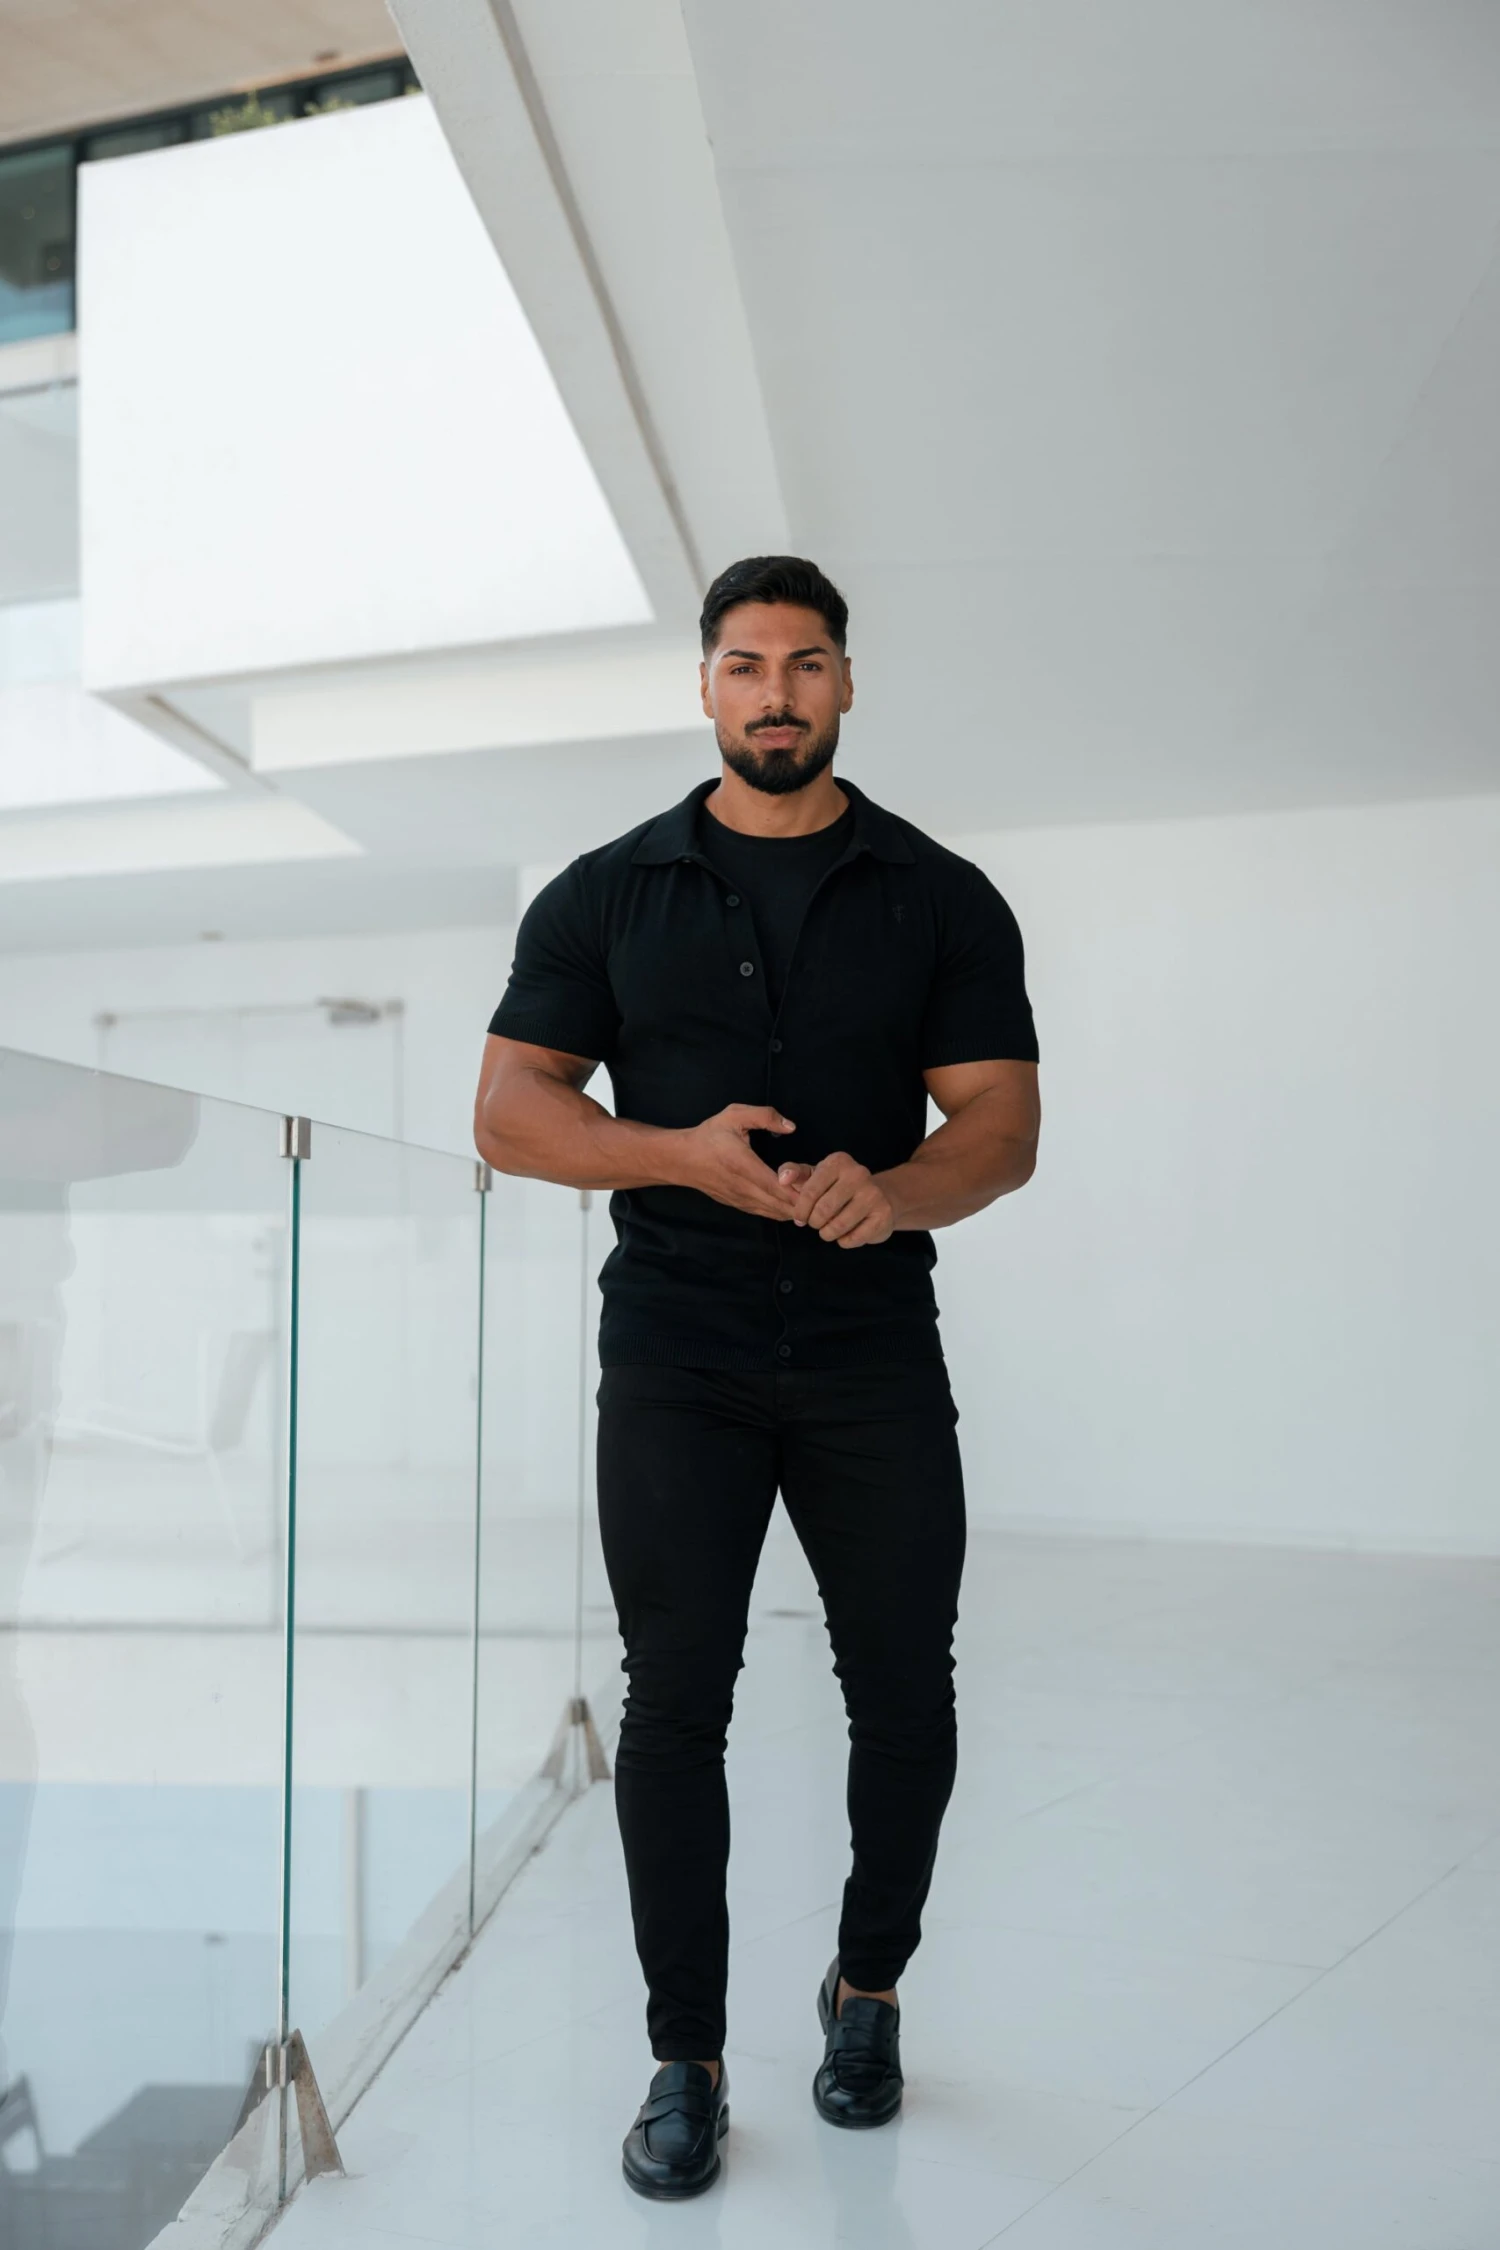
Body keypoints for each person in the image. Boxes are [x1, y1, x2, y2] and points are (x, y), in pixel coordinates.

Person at [474, 554, 1040, 2200]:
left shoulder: (942, 895)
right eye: (744, 663)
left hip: (871, 1348)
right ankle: (687, 2057)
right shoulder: (604, 894)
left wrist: (900, 1189)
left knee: (907, 1690)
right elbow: (510, 1112)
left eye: (803, 663)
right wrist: (676, 1153)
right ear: (707, 686)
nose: (774, 692)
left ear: (846, 681)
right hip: (679, 1347)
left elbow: (1001, 1125)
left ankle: (867, 1992)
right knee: (676, 1700)